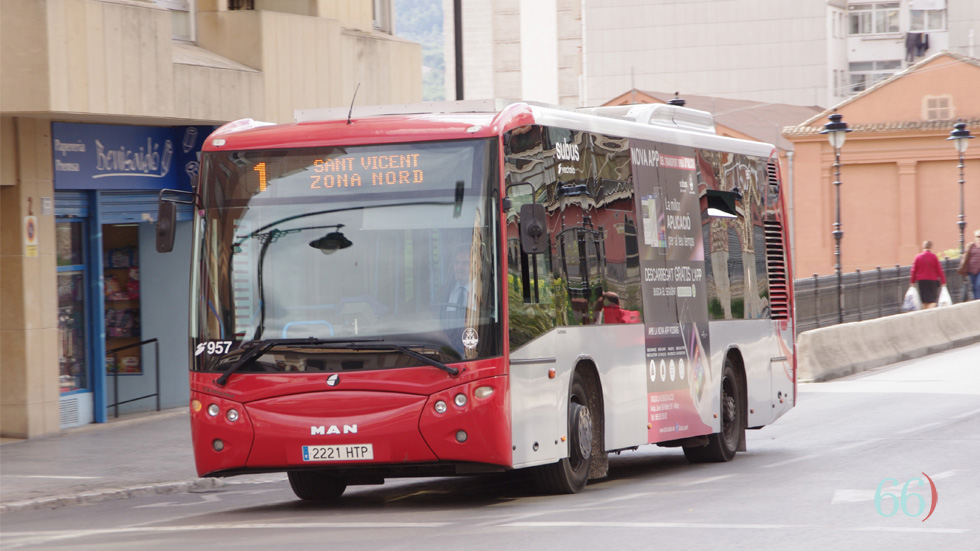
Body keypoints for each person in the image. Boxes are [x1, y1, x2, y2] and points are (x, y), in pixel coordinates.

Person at [910, 240, 946, 309]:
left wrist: (912, 281)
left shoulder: (918, 257)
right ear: (931, 247)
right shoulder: (934, 257)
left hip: (921, 281)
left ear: (923, 247)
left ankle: (925, 313)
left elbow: (913, 270)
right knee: (932, 300)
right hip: (932, 280)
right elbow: (939, 270)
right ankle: (930, 313)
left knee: (924, 300)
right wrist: (943, 281)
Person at [959, 229, 980, 301]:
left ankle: (978, 300)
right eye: (978, 236)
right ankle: (975, 300)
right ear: (975, 237)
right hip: (971, 270)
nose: (979, 238)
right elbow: (965, 257)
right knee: (972, 286)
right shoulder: (971, 246)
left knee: (978, 285)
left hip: (979, 270)